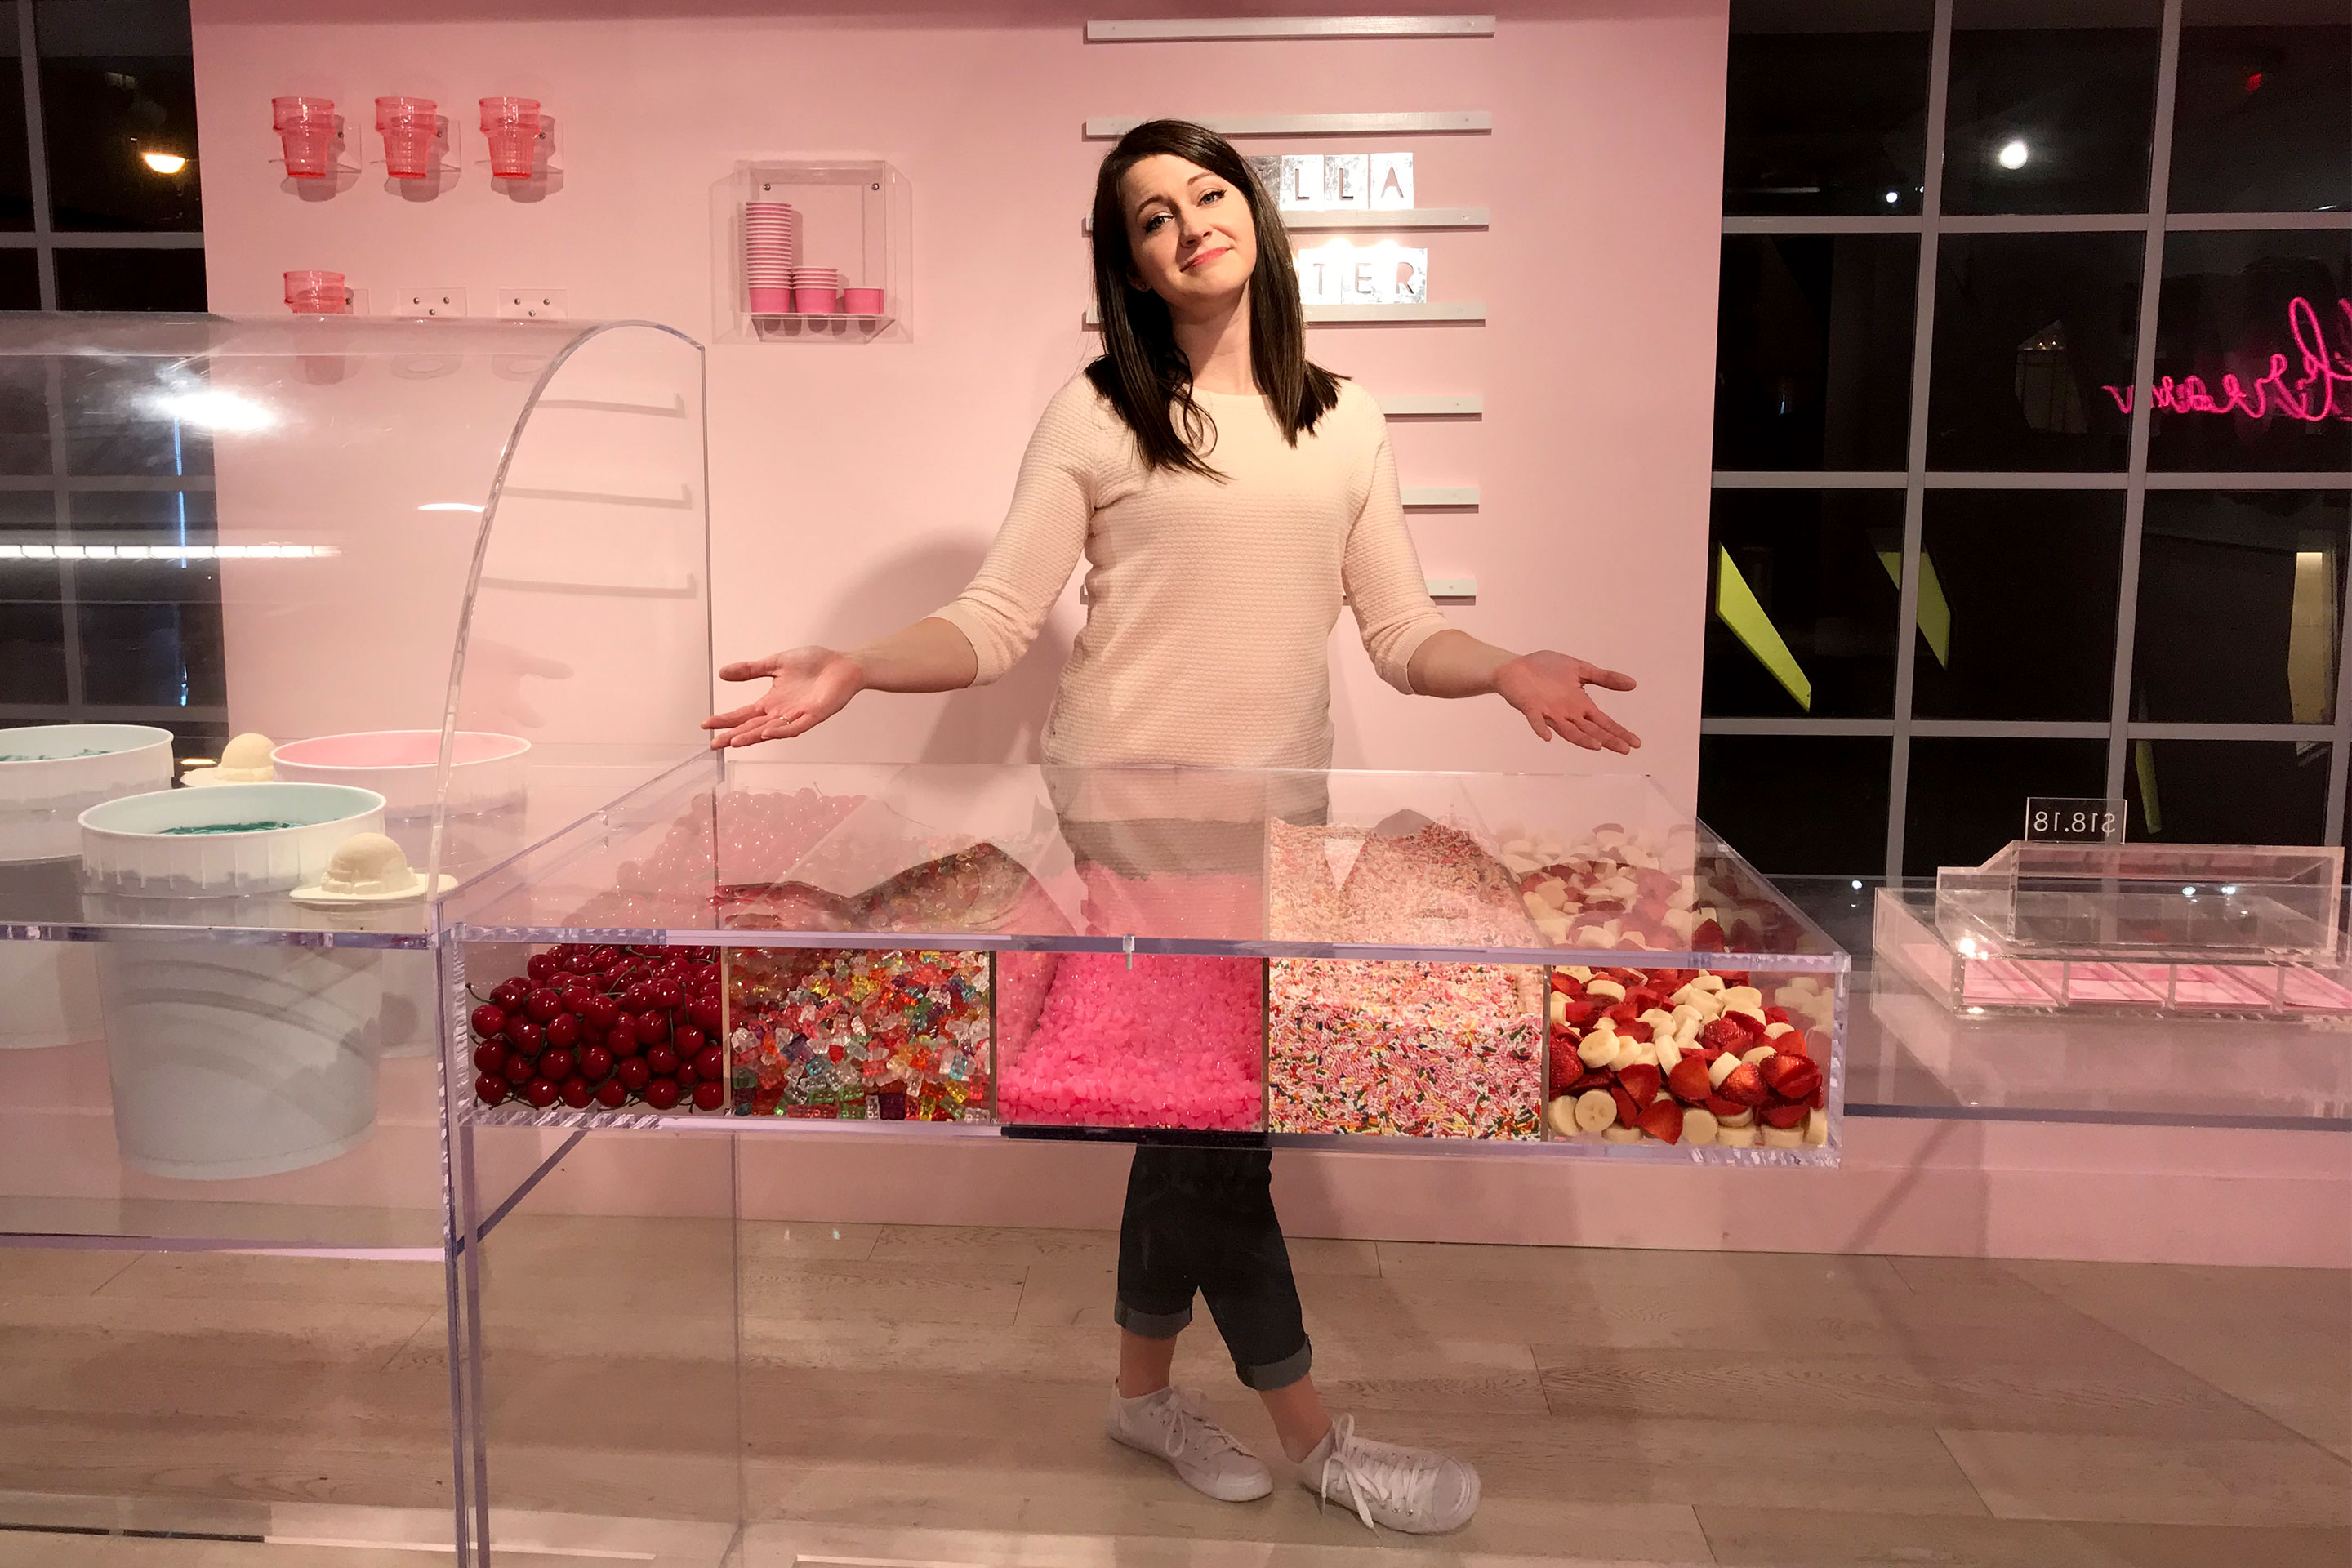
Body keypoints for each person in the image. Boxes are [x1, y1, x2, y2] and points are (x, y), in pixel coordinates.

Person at [705, 118, 1641, 1535]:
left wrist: (1507, 668)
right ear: (1131, 267)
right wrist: (857, 664)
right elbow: (996, 618)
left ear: (1252, 213)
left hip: (1275, 826)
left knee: (1187, 1121)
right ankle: (1317, 1442)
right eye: (1151, 216)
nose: (1188, 224)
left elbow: (1400, 633)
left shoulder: (1346, 418)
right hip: (1128, 822)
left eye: (1206, 194)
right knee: (1221, 1133)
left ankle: (1142, 1397)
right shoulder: (1099, 415)